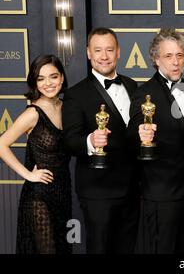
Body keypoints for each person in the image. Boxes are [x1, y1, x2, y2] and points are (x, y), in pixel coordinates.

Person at [62, 27, 139, 253]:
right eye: (98, 50)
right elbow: (69, 141)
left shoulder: (132, 86)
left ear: (118, 53)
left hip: (132, 187)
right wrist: (90, 140)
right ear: (88, 53)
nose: (104, 56)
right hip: (98, 191)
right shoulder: (76, 94)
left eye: (109, 50)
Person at [128, 28, 184, 253]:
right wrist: (140, 134)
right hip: (161, 193)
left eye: (180, 55)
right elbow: (133, 131)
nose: (175, 62)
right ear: (156, 59)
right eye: (168, 56)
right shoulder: (144, 93)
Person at [0, 55, 71, 254]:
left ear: (62, 78)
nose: (48, 83)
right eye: (41, 79)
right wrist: (28, 175)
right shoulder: (33, 113)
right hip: (39, 197)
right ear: (35, 82)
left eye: (53, 77)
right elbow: (1, 144)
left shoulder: (67, 108)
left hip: (63, 192)